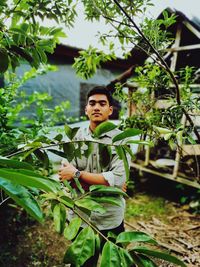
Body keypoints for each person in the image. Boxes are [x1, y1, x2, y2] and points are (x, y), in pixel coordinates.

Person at [58, 86, 130, 237]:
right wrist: (108, 185)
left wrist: (77, 174)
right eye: (92, 103)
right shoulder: (73, 139)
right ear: (86, 109)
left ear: (110, 110)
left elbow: (118, 179)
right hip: (80, 215)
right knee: (82, 260)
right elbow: (65, 178)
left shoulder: (121, 140)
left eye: (102, 104)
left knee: (113, 259)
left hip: (110, 218)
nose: (96, 107)